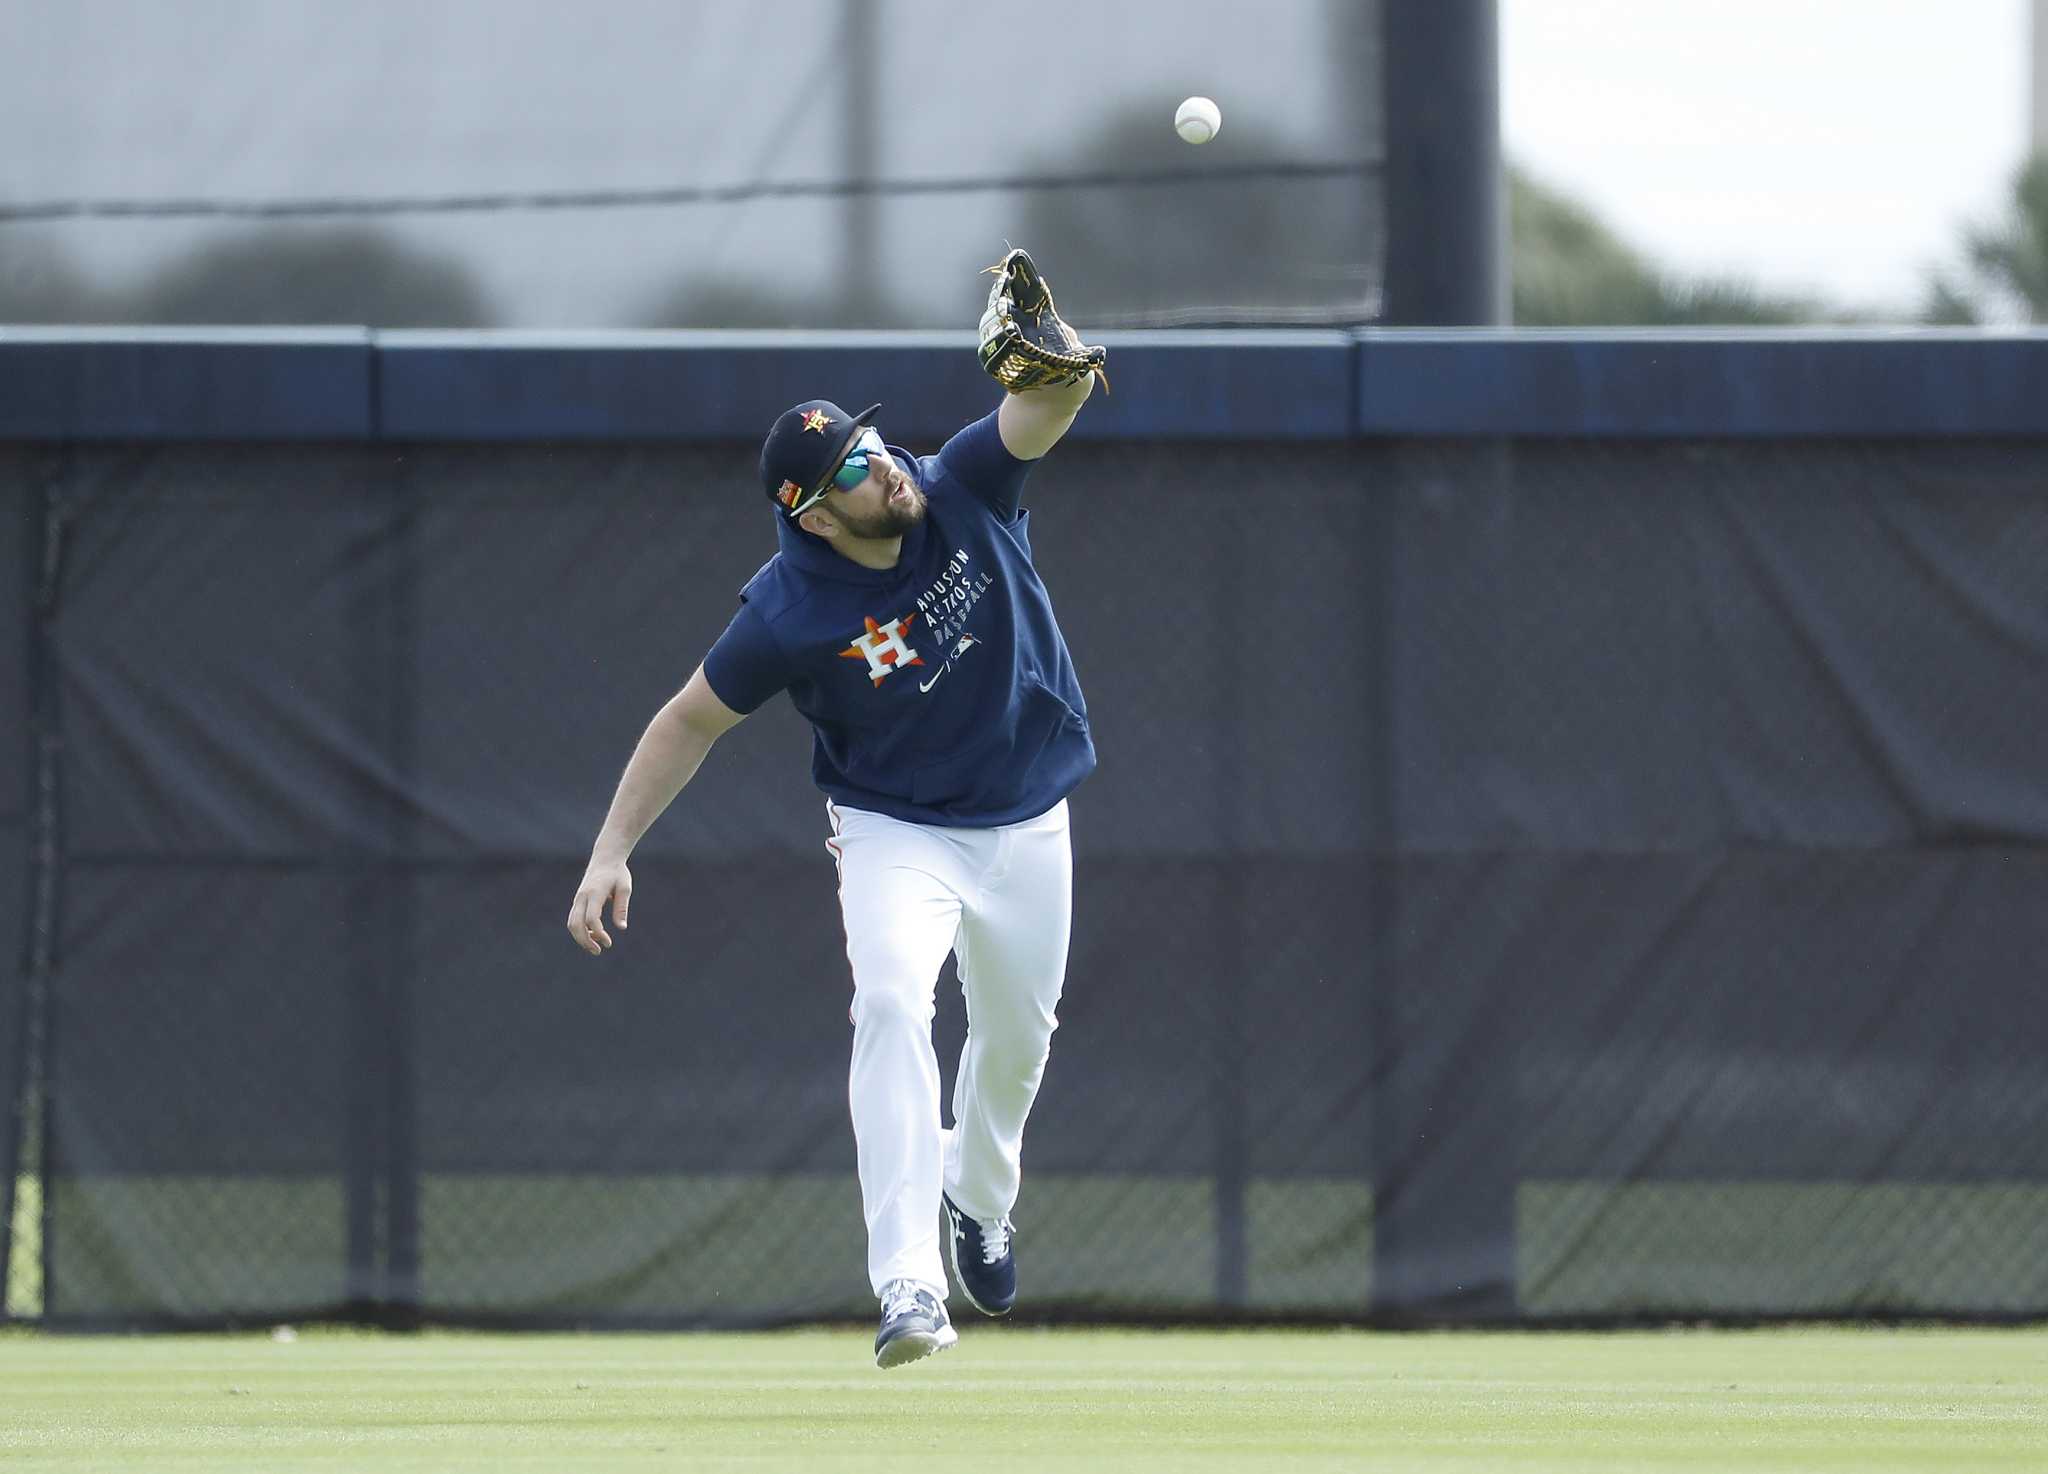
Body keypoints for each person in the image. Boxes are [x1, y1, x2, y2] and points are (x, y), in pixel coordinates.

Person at [565, 266, 1101, 1369]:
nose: (880, 465)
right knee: (895, 1005)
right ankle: (906, 1283)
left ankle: (979, 1201)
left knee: (1014, 1044)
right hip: (894, 828)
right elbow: (685, 721)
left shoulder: (958, 484)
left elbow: (1046, 405)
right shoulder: (786, 609)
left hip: (1026, 811)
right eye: (849, 468)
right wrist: (611, 848)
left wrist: (1054, 354)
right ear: (805, 509)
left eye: (870, 442)